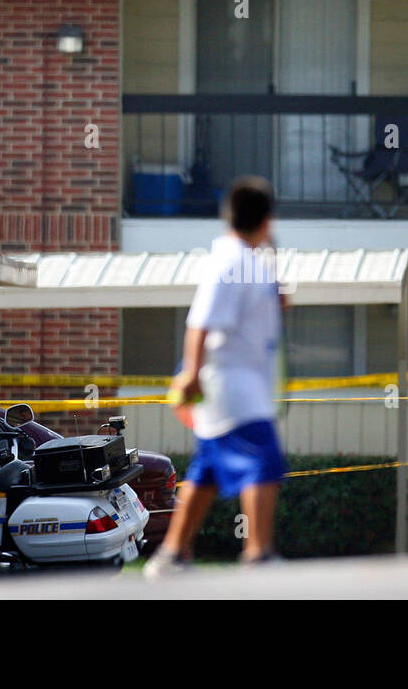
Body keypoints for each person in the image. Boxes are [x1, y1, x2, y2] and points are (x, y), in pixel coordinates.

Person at [146, 176, 287, 578]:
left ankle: (172, 554)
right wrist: (191, 374)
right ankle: (258, 554)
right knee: (263, 460)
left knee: (206, 471)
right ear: (266, 219)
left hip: (237, 382)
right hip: (231, 384)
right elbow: (200, 321)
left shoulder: (247, 261)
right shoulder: (231, 262)